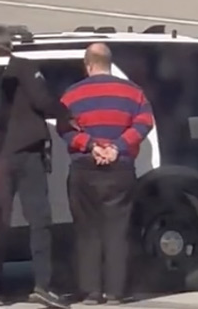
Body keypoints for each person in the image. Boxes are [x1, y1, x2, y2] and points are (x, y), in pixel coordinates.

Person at [0, 26, 70, 308]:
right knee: (39, 221)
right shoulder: (24, 66)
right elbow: (43, 102)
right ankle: (42, 285)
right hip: (27, 154)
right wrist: (68, 116)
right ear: (11, 45)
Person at [58, 44, 153, 305]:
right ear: (109, 63)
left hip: (84, 169)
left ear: (88, 64)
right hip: (120, 168)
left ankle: (90, 293)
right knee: (117, 231)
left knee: (87, 232)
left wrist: (91, 145)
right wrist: (117, 147)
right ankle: (115, 293)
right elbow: (145, 122)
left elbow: (64, 129)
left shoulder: (72, 94)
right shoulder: (133, 92)